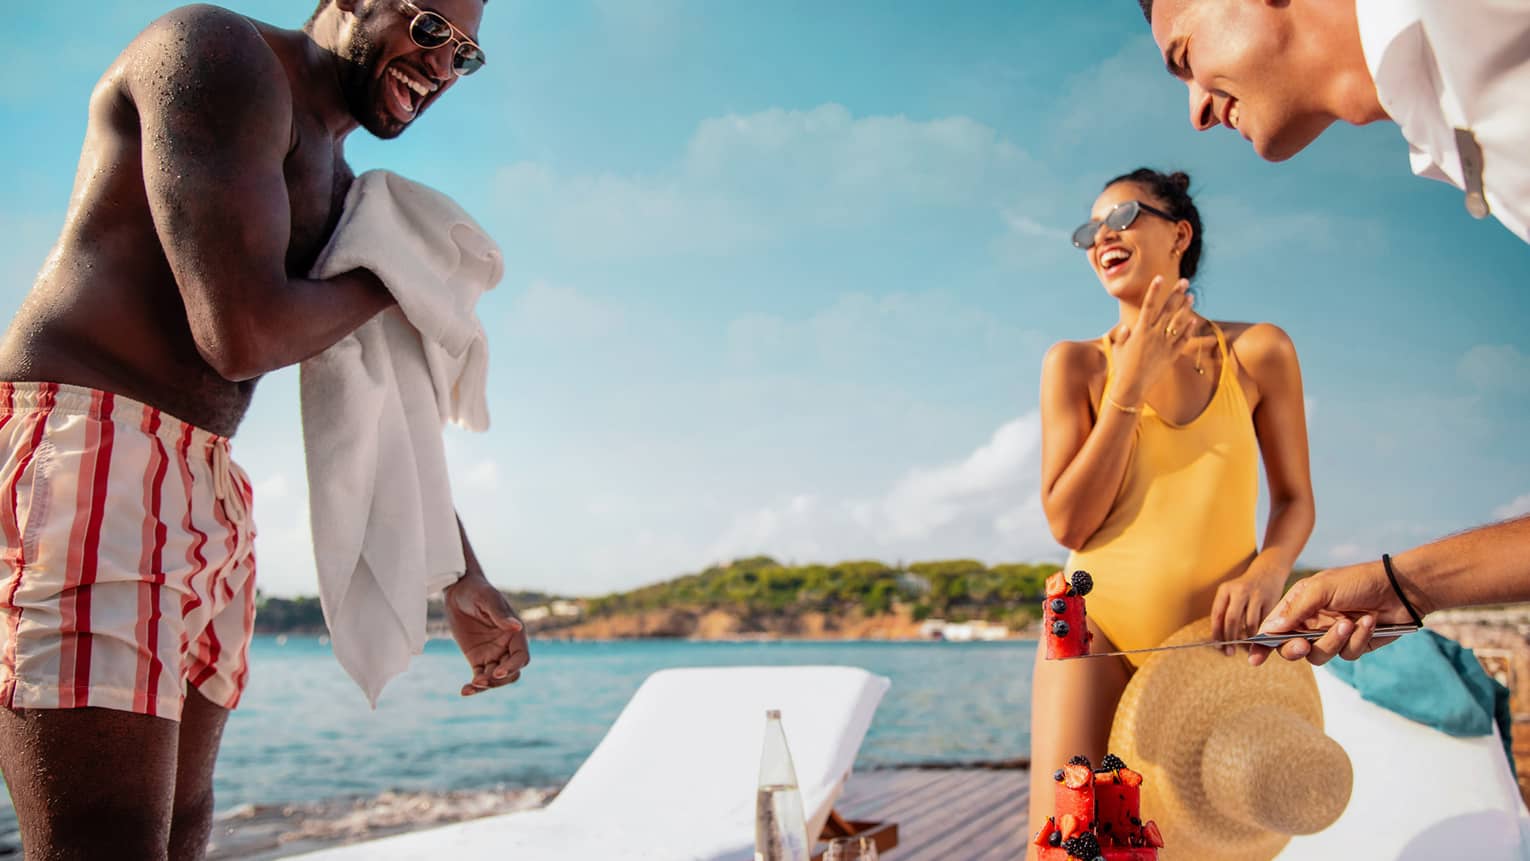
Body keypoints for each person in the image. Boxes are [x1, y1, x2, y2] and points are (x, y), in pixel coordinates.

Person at [0, 2, 527, 858]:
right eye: (429, 27)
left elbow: (386, 400)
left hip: (206, 475)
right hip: (89, 441)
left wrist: (459, 572)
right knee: (103, 840)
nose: (440, 67)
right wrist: (406, 277)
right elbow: (239, 333)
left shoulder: (346, 186)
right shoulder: (220, 55)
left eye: (464, 56)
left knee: (181, 832)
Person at [1135, 0, 1530, 664]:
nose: (1196, 112)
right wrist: (1407, 585)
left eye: (1185, 57)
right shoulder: (1463, 143)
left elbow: (1293, 499)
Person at [1028, 168, 1314, 853]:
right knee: (1073, 845)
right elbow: (1069, 523)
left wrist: (1269, 573)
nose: (1103, 237)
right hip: (1093, 632)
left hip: (1210, 641)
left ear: (1178, 233)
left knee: (1206, 843)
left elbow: (1296, 500)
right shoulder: (1076, 365)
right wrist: (1129, 381)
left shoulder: (1258, 352)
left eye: (1122, 216)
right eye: (1089, 231)